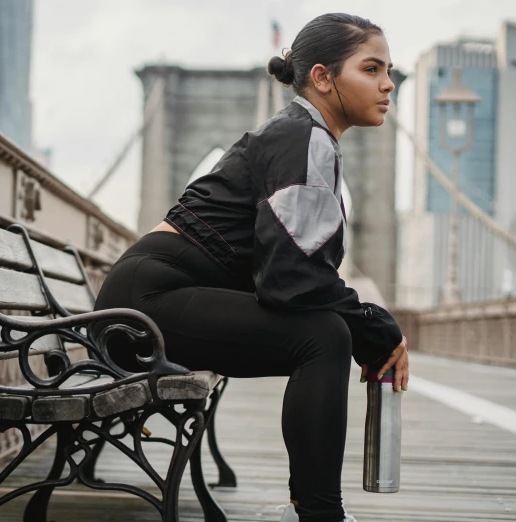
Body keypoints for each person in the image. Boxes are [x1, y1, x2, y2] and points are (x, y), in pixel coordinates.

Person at [91, 12, 409, 522]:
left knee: (328, 331)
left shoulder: (307, 137)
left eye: (388, 70)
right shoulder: (301, 138)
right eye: (371, 69)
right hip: (145, 307)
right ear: (323, 78)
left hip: (147, 301)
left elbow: (287, 273)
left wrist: (368, 325)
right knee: (324, 336)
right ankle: (318, 514)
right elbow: (292, 282)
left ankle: (312, 509)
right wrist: (375, 326)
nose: (388, 83)